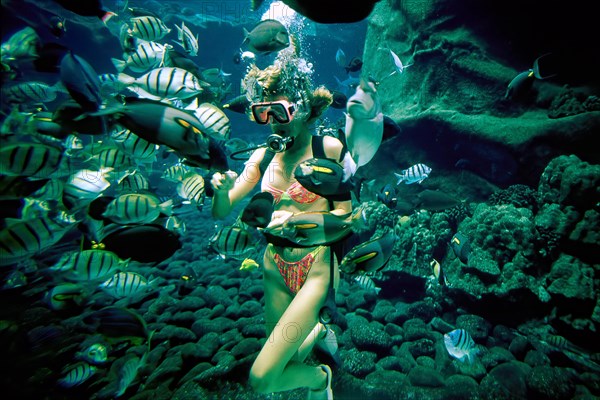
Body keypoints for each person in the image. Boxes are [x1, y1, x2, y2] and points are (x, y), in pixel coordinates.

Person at [211, 51, 351, 399]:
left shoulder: (328, 148)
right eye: (264, 112)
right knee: (286, 362)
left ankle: (320, 379)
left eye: (282, 110)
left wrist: (298, 221)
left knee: (262, 378)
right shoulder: (262, 157)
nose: (274, 120)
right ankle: (316, 331)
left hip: (317, 267)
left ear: (302, 108)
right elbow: (221, 210)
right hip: (274, 267)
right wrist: (222, 191)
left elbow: (345, 218)